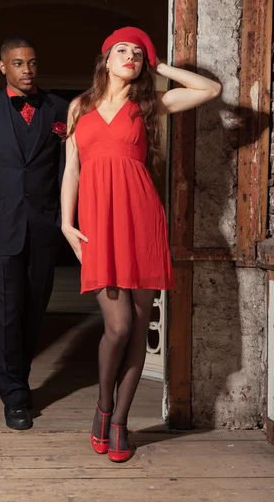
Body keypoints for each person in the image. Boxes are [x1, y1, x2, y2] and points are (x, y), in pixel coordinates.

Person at [61, 26, 221, 462]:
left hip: (142, 221)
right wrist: (65, 223)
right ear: (105, 58)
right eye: (122, 50)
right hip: (98, 223)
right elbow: (72, 169)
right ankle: (103, 405)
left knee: (136, 328)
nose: (130, 56)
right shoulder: (80, 107)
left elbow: (210, 89)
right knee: (117, 327)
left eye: (137, 53)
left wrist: (162, 64)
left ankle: (119, 423)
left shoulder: (148, 105)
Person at [0, 36, 68, 430]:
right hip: (1, 227)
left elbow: (66, 169)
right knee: (6, 314)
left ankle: (19, 379)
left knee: (34, 311)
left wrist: (65, 218)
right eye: (19, 64)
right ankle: (15, 397)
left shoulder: (59, 108)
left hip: (44, 225)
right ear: (4, 67)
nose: (27, 70)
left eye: (33, 63)